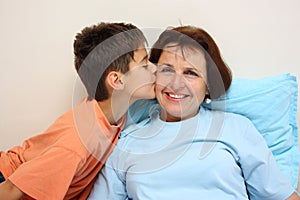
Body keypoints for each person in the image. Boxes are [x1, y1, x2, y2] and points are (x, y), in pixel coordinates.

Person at [88, 26, 299, 199]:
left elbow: (281, 196)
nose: (176, 84)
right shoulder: (127, 142)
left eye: (191, 73)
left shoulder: (236, 128)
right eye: (167, 69)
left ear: (208, 85)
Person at [0, 22, 157, 199]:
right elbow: (9, 191)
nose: (154, 68)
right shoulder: (77, 144)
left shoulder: (110, 110)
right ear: (117, 81)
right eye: (145, 64)